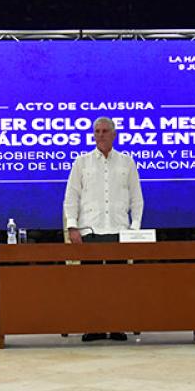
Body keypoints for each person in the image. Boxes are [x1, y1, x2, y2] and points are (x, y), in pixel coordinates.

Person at [63, 117, 143, 342]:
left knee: (118, 282)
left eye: (105, 131)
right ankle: (94, 327)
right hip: (90, 230)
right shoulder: (82, 162)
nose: (100, 135)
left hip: (119, 230)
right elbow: (71, 197)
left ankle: (117, 326)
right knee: (92, 283)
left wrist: (134, 228)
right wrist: (72, 226)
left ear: (114, 134)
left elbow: (137, 199)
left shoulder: (127, 162)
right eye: (97, 131)